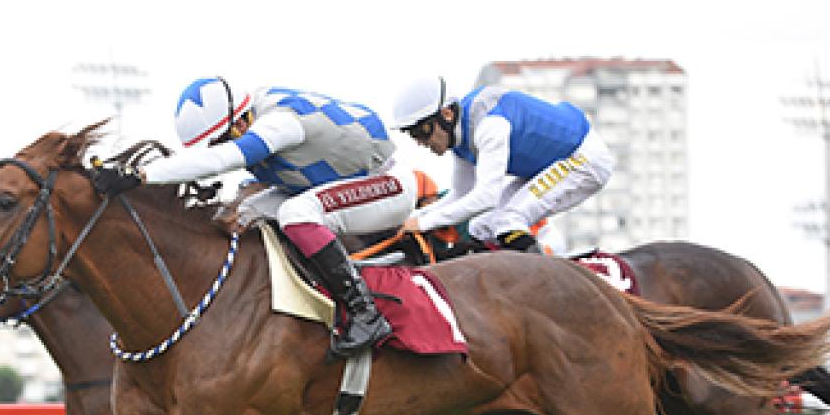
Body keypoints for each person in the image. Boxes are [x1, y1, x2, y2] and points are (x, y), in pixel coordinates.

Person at [92, 77, 419, 359]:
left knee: (296, 214)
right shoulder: (250, 116)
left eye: (220, 139)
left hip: (388, 185)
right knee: (242, 213)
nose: (218, 146)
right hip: (334, 185)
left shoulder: (279, 122)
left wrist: (140, 175)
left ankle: (364, 312)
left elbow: (223, 159)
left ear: (240, 123)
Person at [392, 76, 615, 254]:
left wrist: (423, 223)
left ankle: (545, 288)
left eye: (422, 131)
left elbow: (487, 197)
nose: (420, 142)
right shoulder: (459, 138)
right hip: (553, 162)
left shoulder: (489, 127)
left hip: (583, 158)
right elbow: (461, 195)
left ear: (447, 114)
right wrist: (405, 221)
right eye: (412, 134)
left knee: (509, 221)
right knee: (479, 227)